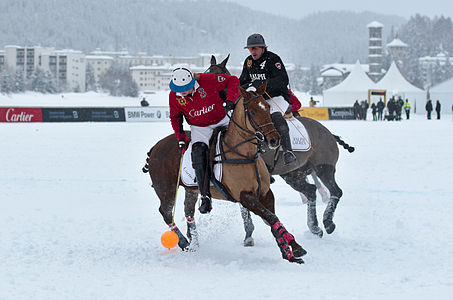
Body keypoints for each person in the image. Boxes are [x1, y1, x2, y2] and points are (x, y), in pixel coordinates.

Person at [169, 67, 239, 214]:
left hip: (223, 120)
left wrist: (230, 100)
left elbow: (233, 80)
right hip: (199, 128)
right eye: (180, 90)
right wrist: (180, 137)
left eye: (186, 89)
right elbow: (175, 117)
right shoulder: (174, 96)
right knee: (198, 153)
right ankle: (206, 196)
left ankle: (263, 169)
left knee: (244, 137)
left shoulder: (206, 80)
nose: (183, 93)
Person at [239, 33, 296, 166]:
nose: (252, 51)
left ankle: (288, 151)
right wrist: (246, 86)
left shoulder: (273, 59)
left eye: (255, 48)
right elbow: (243, 81)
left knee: (273, 115)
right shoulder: (248, 61)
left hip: (278, 96)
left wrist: (261, 84)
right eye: (250, 48)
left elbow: (283, 80)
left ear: (263, 48)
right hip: (259, 99)